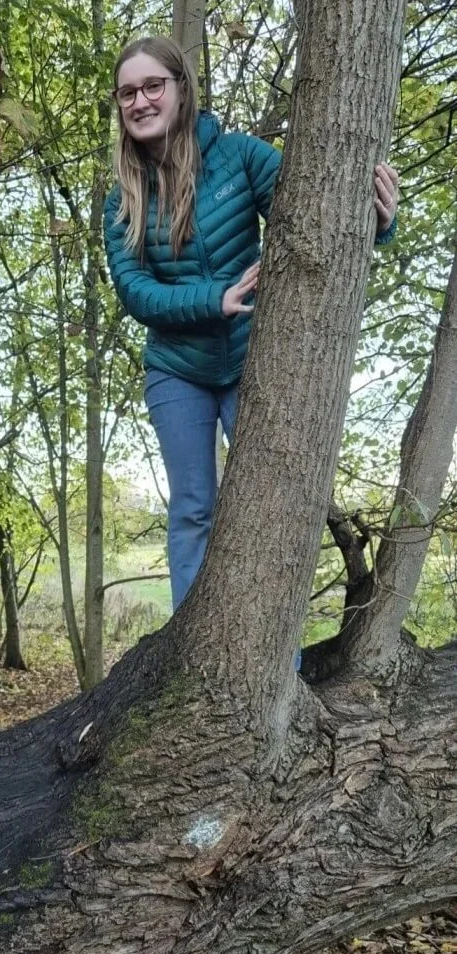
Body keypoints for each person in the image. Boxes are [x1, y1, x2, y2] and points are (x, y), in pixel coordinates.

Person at [103, 35, 398, 619]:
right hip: (176, 371)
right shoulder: (122, 199)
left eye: (152, 86)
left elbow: (320, 209)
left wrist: (377, 224)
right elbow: (137, 292)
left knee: (275, 505)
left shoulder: (239, 156)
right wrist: (216, 297)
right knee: (193, 507)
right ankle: (185, 651)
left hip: (253, 360)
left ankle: (272, 654)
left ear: (181, 90)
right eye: (127, 92)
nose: (140, 101)